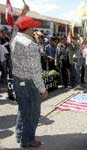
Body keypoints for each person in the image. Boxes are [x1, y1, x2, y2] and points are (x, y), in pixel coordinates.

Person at [11, 16, 48, 148]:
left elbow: (15, 28)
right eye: (32, 26)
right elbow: (35, 71)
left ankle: (20, 136)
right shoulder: (30, 44)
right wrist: (42, 89)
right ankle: (28, 140)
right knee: (33, 113)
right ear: (27, 28)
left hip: (18, 80)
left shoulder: (14, 38)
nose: (34, 29)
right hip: (29, 82)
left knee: (23, 110)